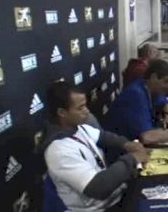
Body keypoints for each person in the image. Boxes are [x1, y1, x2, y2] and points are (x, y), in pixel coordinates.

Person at [42, 82, 149, 212]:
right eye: (80, 108)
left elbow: (105, 137)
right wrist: (132, 158)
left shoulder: (80, 128)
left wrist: (128, 144)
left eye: (85, 105)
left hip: (113, 199)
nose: (86, 111)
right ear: (62, 112)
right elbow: (98, 188)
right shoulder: (59, 150)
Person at [105, 59, 168, 145]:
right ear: (153, 77)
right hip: (118, 150)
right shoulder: (136, 93)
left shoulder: (149, 88)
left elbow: (165, 103)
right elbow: (147, 137)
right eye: (166, 81)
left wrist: (167, 115)